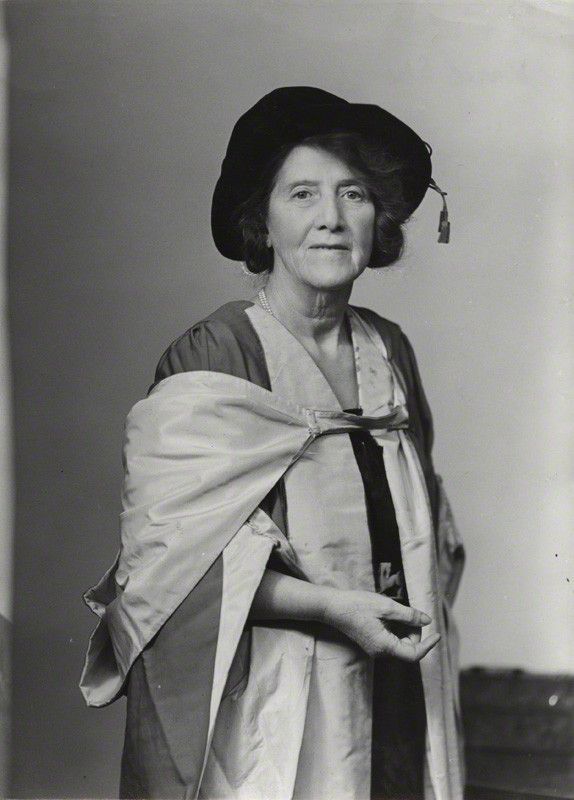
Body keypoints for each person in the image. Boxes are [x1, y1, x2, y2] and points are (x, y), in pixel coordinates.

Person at [80, 86, 465, 800]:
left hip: (395, 689)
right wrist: (330, 608)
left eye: (353, 194)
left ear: (379, 217)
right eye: (302, 195)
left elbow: (427, 528)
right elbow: (165, 571)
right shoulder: (216, 354)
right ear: (262, 219)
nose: (330, 219)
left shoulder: (392, 353)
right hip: (267, 698)